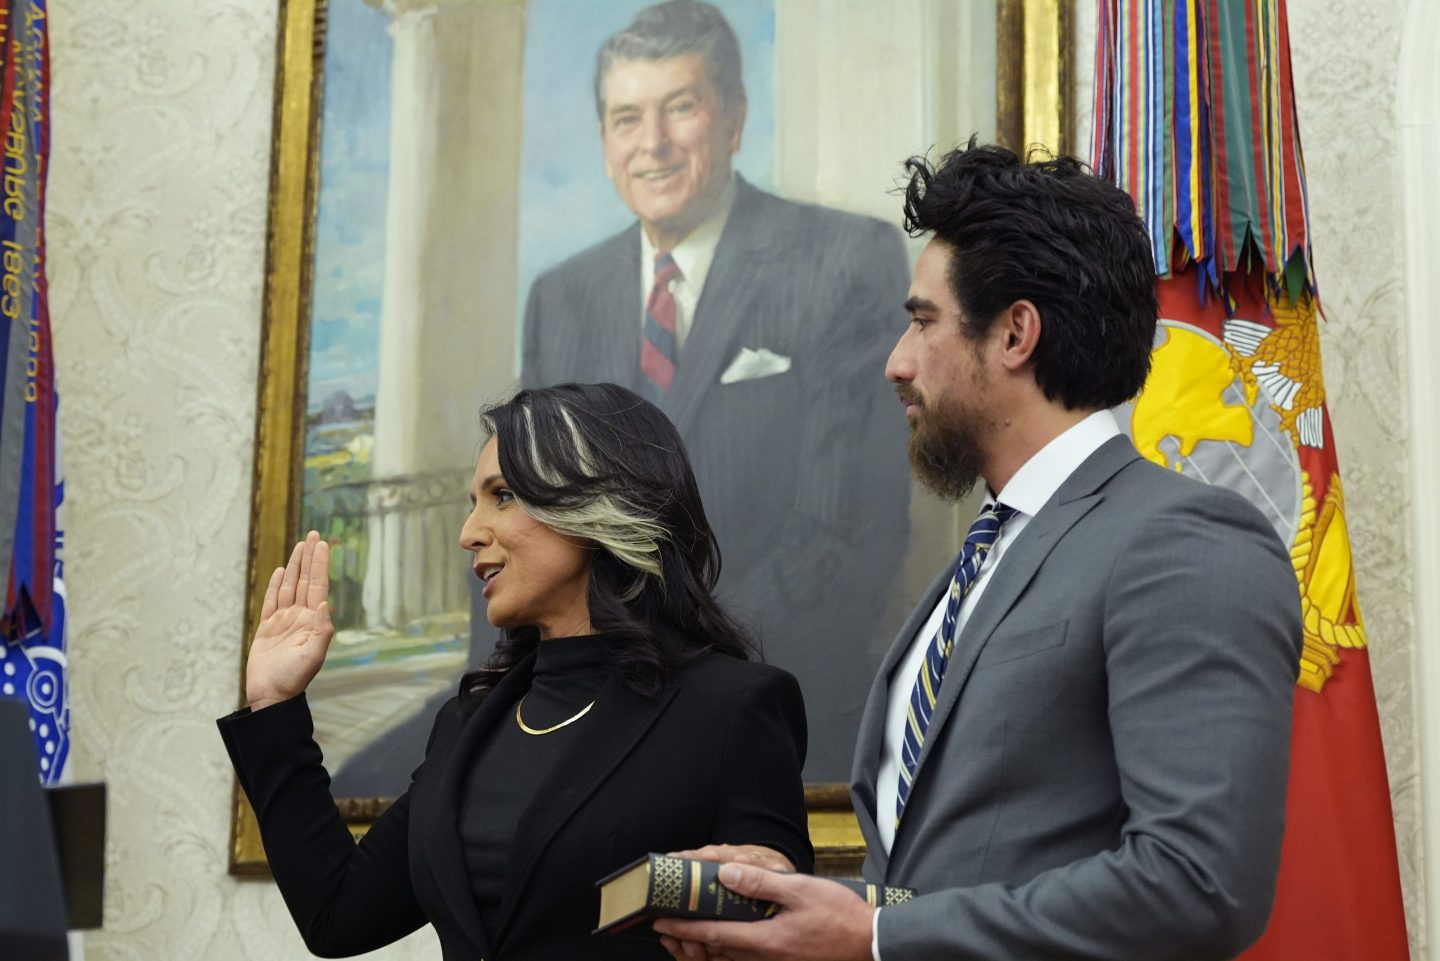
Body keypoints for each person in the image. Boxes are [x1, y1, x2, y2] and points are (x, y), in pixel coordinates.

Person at [656, 142, 1304, 961]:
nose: (895, 362)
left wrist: (877, 933)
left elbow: (1197, 884)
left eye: (923, 321)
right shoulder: (980, 559)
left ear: (1015, 333)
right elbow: (951, 886)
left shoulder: (1182, 542)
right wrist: (794, 902)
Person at [219, 383, 812, 961]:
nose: (469, 534)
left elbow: (775, 930)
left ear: (596, 504)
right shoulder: (469, 722)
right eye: (473, 504)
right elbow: (337, 915)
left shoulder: (734, 707)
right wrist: (275, 702)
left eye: (501, 495)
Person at [521, 0, 911, 781]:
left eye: (682, 108)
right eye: (627, 118)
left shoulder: (843, 263)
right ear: (604, 142)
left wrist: (669, 674)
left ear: (733, 118)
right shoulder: (561, 296)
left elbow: (844, 537)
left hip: (771, 711)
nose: (653, 144)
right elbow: (528, 523)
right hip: (586, 729)